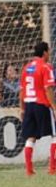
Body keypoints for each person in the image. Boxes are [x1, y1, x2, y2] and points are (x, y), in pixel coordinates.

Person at [20, 41, 56, 176]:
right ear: (45, 52)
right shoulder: (46, 67)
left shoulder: (26, 68)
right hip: (42, 105)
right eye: (49, 51)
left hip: (29, 105)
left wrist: (22, 109)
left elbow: (21, 91)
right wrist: (54, 107)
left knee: (31, 137)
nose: (50, 53)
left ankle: (29, 170)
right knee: (55, 135)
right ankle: (53, 168)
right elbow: (48, 89)